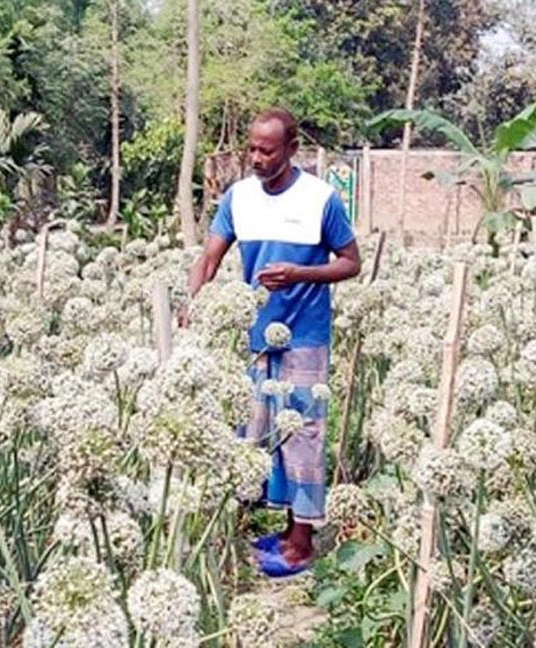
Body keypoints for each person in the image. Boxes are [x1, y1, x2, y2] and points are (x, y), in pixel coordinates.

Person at [185, 107, 361, 577]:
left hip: (305, 337)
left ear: (292, 149)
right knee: (256, 434)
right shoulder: (238, 198)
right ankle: (267, 530)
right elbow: (209, 258)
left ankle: (301, 544)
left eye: (267, 150)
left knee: (302, 436)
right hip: (255, 337)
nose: (256, 158)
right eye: (252, 149)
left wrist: (301, 273)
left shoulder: (321, 199)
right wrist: (192, 303)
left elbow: (351, 262)